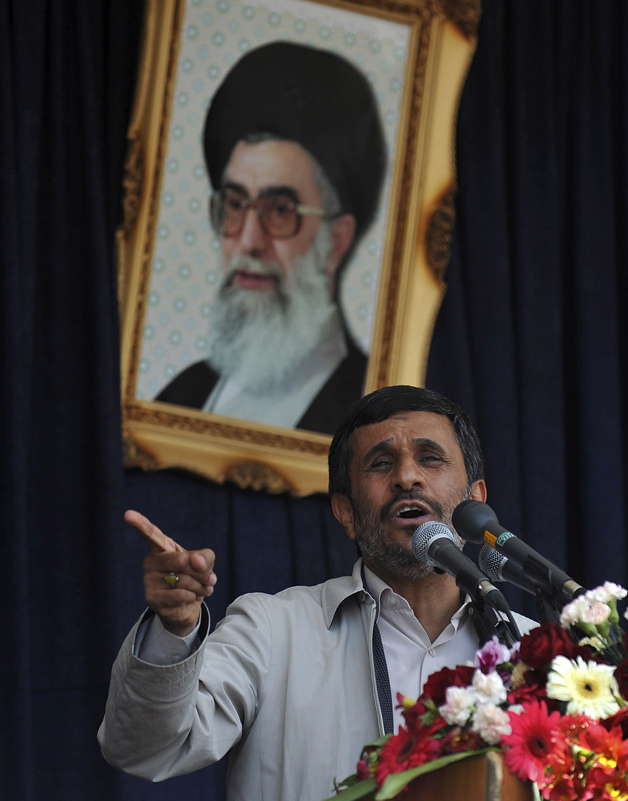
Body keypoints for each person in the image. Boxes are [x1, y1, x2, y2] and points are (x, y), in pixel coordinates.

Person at [99, 385, 535, 801]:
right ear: (345, 512)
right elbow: (142, 748)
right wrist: (174, 631)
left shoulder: (536, 654)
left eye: (430, 457)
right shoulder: (272, 632)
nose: (407, 476)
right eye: (381, 463)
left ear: (475, 501)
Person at [155, 41, 387, 435]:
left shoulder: (370, 419)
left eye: (280, 210)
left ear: (337, 240)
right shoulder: (183, 395)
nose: (248, 241)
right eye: (234, 204)